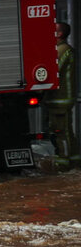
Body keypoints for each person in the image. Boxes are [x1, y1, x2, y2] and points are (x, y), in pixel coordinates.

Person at [48, 21, 77, 167]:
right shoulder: (61, 49)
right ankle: (75, 162)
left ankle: (63, 164)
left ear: (59, 34)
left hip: (60, 100)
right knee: (67, 132)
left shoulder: (62, 49)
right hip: (60, 100)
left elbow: (52, 70)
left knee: (61, 133)